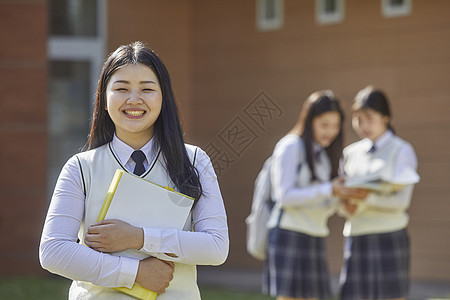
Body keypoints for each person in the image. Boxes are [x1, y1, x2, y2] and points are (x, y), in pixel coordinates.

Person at [39, 41, 229, 300]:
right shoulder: (80, 168)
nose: (134, 99)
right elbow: (54, 251)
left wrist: (138, 238)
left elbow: (216, 248)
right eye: (121, 88)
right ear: (104, 101)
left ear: (163, 98)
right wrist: (134, 272)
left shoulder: (194, 161)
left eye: (147, 89)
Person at [262, 90, 362, 300]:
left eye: (335, 125)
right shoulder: (290, 146)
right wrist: (330, 189)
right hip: (289, 233)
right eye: (324, 124)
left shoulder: (328, 153)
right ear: (309, 121)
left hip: (315, 233)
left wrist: (343, 204)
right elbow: (285, 197)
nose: (331, 131)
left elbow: (324, 199)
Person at [338, 86, 418, 300]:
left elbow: (401, 201)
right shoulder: (350, 153)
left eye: (369, 118)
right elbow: (338, 194)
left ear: (385, 117)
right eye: (358, 119)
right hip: (356, 235)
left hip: (390, 236)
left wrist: (368, 198)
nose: (363, 125)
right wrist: (344, 206)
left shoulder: (402, 150)